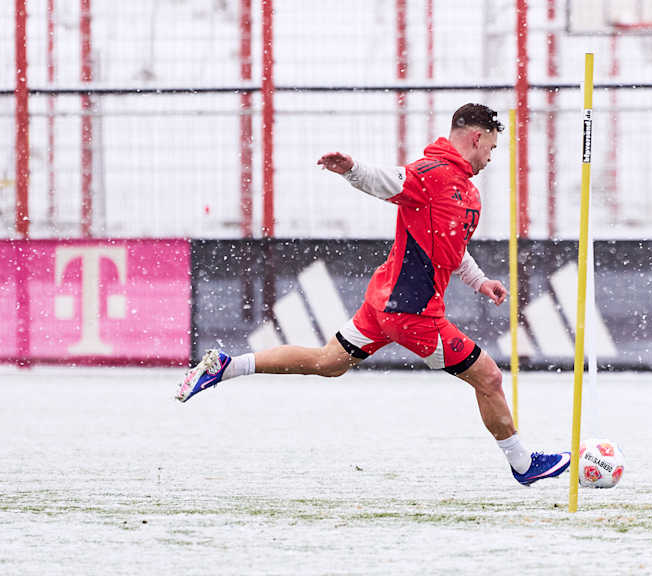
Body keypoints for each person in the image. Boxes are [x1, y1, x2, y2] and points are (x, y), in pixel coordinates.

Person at [177, 103, 570, 486]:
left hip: (382, 304)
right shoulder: (432, 172)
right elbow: (390, 181)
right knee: (488, 376)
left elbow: (452, 244)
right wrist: (352, 170)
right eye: (492, 148)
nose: (491, 157)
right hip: (411, 311)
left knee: (327, 362)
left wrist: (479, 281)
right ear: (477, 137)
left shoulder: (466, 191)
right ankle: (523, 464)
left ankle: (226, 366)